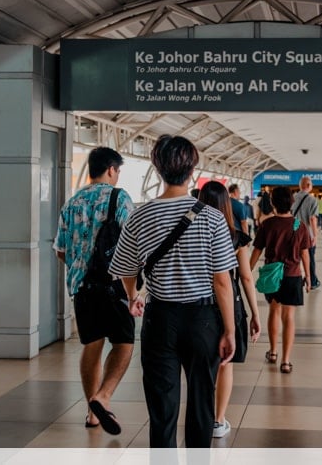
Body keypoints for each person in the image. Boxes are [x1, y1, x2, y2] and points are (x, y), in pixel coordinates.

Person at [109, 135, 237, 448]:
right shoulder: (212, 217)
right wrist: (230, 330)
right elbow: (222, 281)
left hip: (160, 318)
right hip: (203, 319)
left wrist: (133, 296)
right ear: (193, 169)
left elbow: (125, 270)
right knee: (201, 402)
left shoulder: (139, 215)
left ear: (158, 168)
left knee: (162, 408)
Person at [54, 147, 135, 434]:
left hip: (82, 287)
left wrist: (81, 265)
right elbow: (131, 247)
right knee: (124, 343)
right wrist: (134, 290)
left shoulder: (72, 202)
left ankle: (92, 412)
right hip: (113, 284)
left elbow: (61, 250)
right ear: (111, 169)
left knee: (92, 343)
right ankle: (103, 396)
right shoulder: (119, 198)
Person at [197, 181, 261, 439]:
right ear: (227, 204)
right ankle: (218, 420)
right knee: (226, 364)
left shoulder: (192, 231)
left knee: (201, 366)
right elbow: (245, 277)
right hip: (228, 304)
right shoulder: (235, 236)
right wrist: (255, 314)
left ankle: (200, 416)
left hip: (198, 304)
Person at [250, 186, 310, 373]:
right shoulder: (299, 225)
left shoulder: (267, 224)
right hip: (292, 275)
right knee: (289, 316)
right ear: (291, 203)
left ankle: (273, 351)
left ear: (273, 203)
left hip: (272, 276)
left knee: (274, 311)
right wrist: (308, 276)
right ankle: (285, 361)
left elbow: (257, 250)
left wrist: (247, 271)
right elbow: (305, 253)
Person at [291, 176, 320, 289]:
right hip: (307, 234)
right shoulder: (312, 200)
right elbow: (312, 219)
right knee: (310, 258)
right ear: (308, 186)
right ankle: (312, 281)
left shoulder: (292, 198)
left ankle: (295, 280)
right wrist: (315, 235)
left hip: (293, 231)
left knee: (294, 258)